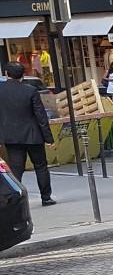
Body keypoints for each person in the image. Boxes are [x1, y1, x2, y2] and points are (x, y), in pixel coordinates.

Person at [0, 61, 56, 206]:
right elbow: (41, 116)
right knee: (41, 166)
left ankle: (15, 198)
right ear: (23, 75)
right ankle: (46, 197)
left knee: (16, 168)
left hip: (11, 137)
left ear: (6, 74)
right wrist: (49, 138)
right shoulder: (30, 91)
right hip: (33, 136)